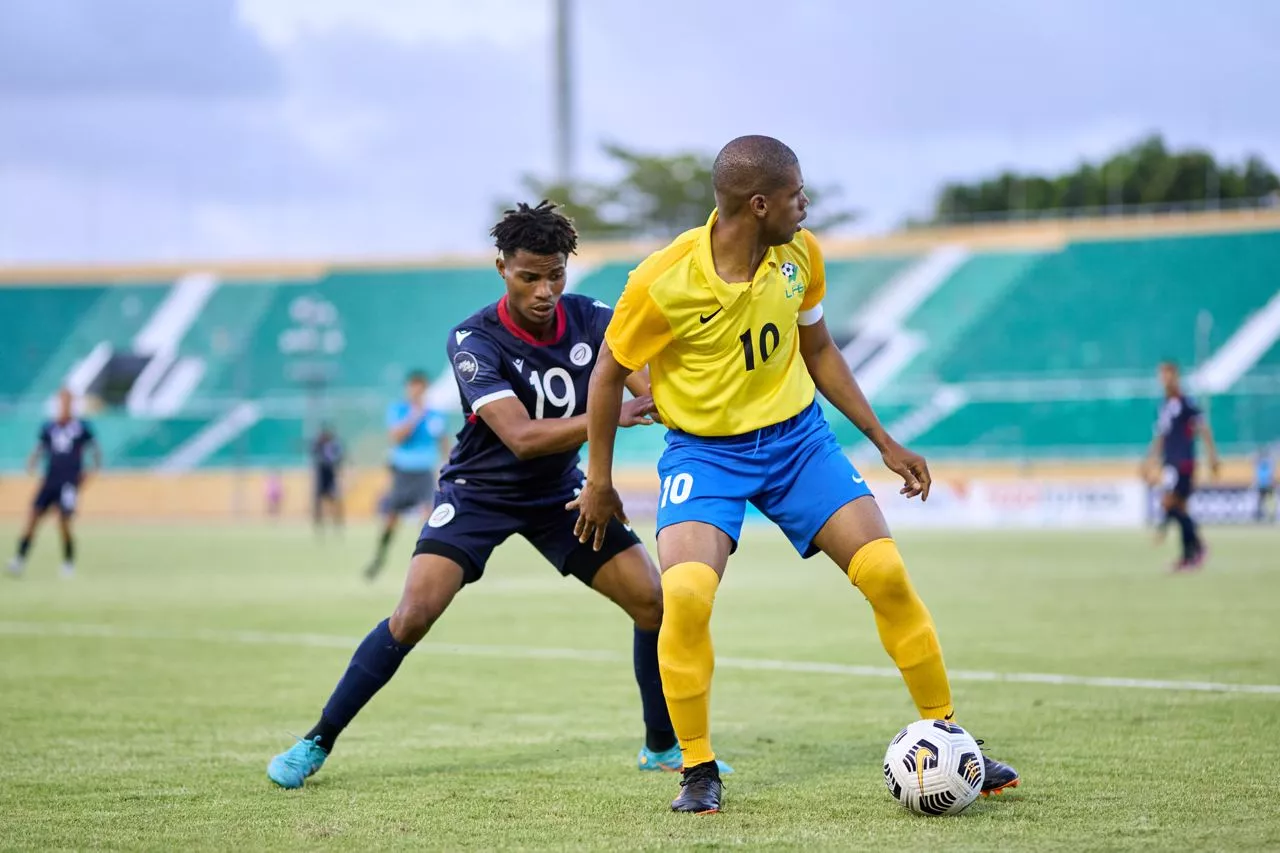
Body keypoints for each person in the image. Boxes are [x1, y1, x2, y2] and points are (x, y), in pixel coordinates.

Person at [570, 136, 1019, 814]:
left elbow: (818, 347)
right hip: (704, 454)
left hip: (799, 443)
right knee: (686, 596)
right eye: (795, 195)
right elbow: (606, 376)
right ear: (759, 204)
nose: (805, 206)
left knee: (888, 574)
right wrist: (599, 480)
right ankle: (697, 766)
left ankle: (951, 737)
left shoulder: (800, 255)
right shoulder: (660, 280)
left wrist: (883, 439)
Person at [267, 201, 727, 789]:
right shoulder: (473, 338)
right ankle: (316, 740)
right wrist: (616, 413)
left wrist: (672, 401)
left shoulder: (593, 319)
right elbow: (522, 437)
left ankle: (661, 747)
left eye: (555, 274)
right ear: (501, 268)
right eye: (529, 276)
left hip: (562, 495)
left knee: (653, 602)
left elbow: (651, 390)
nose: (544, 289)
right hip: (478, 494)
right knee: (412, 616)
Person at [363, 371, 450, 579]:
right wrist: (414, 415)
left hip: (424, 471)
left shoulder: (435, 415)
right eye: (412, 386)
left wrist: (447, 464)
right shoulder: (399, 410)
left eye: (420, 387)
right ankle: (379, 557)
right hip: (403, 470)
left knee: (429, 518)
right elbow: (397, 437)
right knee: (391, 518)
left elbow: (442, 441)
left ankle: (428, 564)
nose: (416, 391)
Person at [7, 388, 100, 579]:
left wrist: (90, 472)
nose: (64, 405)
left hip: (69, 482)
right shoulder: (49, 427)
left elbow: (96, 451)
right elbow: (39, 448)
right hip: (50, 480)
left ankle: (68, 563)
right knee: (33, 517)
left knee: (64, 522)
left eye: (68, 401)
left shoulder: (81, 427)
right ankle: (19, 559)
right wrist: (32, 461)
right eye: (62, 401)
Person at [1143, 360, 1220, 570]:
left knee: (1169, 503)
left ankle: (1195, 549)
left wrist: (1212, 456)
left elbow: (1203, 428)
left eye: (1167, 375)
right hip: (1171, 462)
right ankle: (1191, 554)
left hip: (1183, 462)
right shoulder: (1165, 406)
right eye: (1161, 375)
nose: (1163, 379)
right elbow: (1160, 436)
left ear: (1175, 376)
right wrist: (1150, 461)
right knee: (1180, 507)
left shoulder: (1186, 403)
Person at [311, 425, 345, 533]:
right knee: (318, 502)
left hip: (330, 476)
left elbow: (339, 457)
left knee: (334, 500)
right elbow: (314, 455)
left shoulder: (334, 445)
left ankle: (337, 524)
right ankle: (319, 525)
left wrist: (334, 462)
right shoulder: (318, 445)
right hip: (321, 477)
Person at [1253, 445, 1274, 523]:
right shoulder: (1268, 462)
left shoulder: (1263, 462)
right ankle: (1263, 515)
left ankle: (1268, 515)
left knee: (1265, 500)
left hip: (1265, 484)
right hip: (1265, 484)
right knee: (1263, 501)